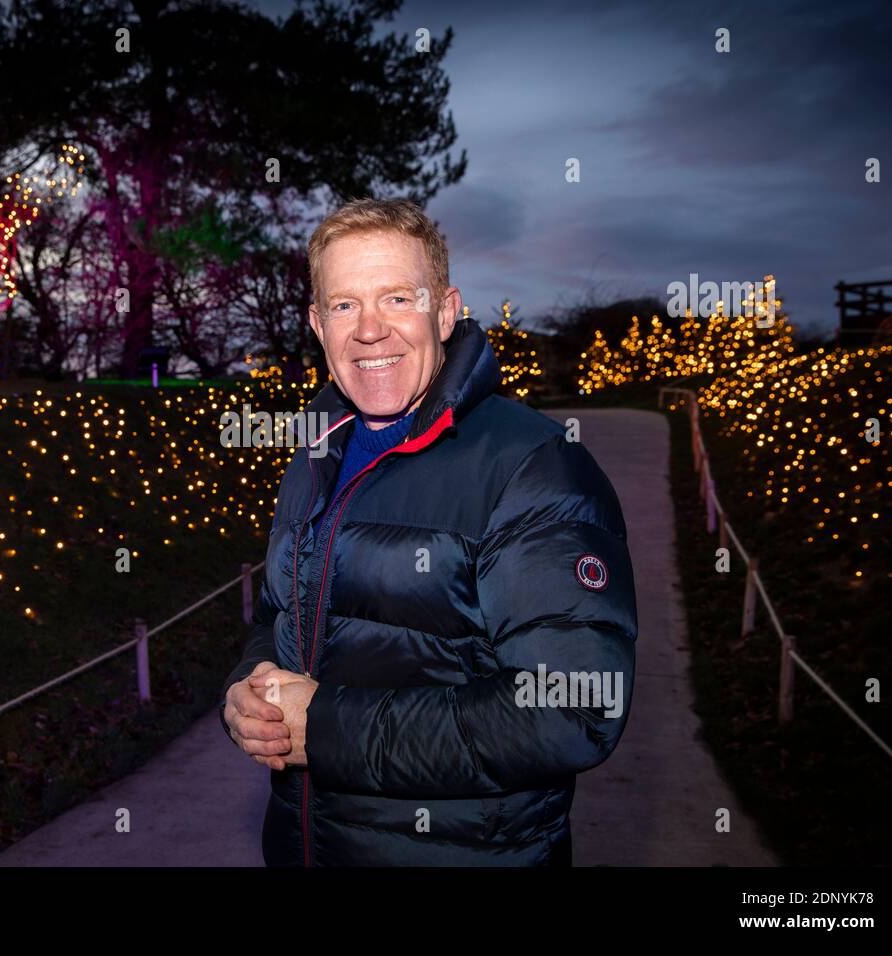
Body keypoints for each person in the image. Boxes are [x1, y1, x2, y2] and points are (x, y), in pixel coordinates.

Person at [220, 198, 637, 866]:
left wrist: (325, 727)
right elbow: (279, 612)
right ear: (316, 324)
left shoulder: (534, 466)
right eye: (344, 305)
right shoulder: (314, 451)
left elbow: (575, 711)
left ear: (445, 311)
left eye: (397, 298)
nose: (369, 330)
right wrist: (248, 689)